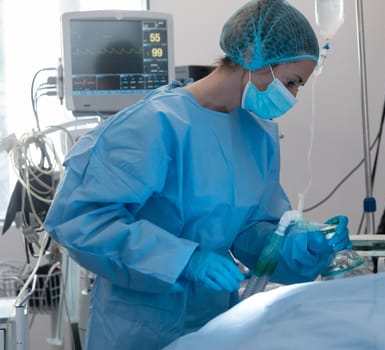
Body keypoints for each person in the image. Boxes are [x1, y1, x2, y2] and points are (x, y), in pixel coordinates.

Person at [44, 0, 350, 349]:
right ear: (252, 54)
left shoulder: (258, 133)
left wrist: (296, 246)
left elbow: (253, 229)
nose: (293, 96)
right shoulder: (152, 125)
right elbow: (79, 220)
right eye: (291, 82)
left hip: (213, 325)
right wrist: (183, 259)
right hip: (139, 328)